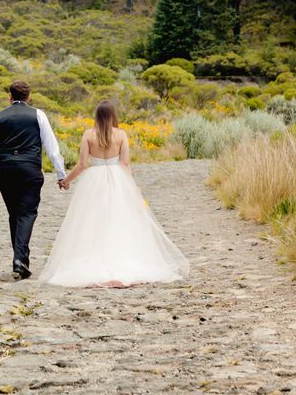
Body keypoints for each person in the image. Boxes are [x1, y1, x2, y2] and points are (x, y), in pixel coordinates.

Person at [39, 100, 189, 287]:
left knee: (92, 221)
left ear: (97, 115)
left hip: (93, 182)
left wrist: (66, 181)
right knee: (119, 219)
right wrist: (132, 187)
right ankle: (120, 257)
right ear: (112, 116)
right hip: (118, 180)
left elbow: (82, 164)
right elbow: (125, 164)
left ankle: (93, 258)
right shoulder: (121, 135)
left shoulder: (88, 135)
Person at [0, 80, 66, 279]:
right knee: (27, 213)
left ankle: (20, 259)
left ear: (10, 96)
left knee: (14, 214)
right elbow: (52, 147)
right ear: (29, 97)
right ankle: (20, 260)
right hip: (30, 169)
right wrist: (61, 174)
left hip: (7, 170)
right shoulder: (38, 115)